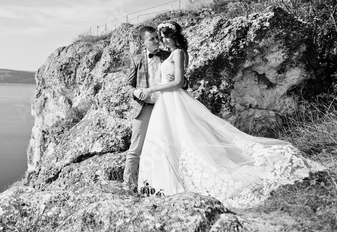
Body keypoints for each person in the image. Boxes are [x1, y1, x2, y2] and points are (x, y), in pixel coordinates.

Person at [137, 21, 325, 208]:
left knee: (186, 137)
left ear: (173, 36)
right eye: (161, 38)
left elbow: (178, 82)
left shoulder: (178, 53)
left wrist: (153, 88)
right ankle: (170, 180)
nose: (163, 41)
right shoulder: (172, 54)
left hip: (175, 99)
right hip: (167, 102)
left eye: (165, 37)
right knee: (170, 139)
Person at [123, 26, 170, 191]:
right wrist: (136, 92)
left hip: (165, 107)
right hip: (144, 108)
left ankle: (161, 185)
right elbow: (128, 85)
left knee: (164, 146)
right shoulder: (137, 59)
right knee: (135, 149)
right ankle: (128, 186)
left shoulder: (168, 55)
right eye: (152, 39)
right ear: (143, 42)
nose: (157, 41)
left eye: (157, 37)